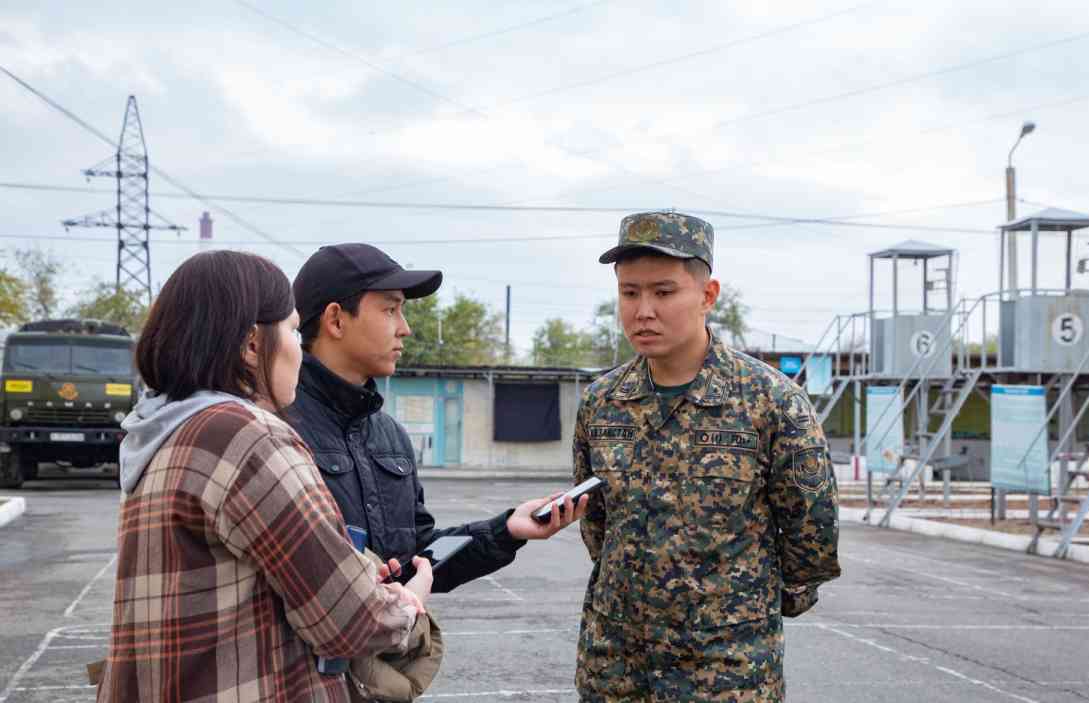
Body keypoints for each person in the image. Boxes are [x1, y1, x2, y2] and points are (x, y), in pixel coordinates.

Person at [97, 251, 432, 703]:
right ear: (253, 345)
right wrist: (409, 603)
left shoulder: (160, 433)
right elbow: (350, 620)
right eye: (293, 329)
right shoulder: (244, 437)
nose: (298, 346)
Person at [572, 212, 841, 701]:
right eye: (629, 293)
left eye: (664, 291)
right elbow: (598, 524)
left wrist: (744, 607)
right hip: (615, 664)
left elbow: (811, 532)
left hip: (726, 669)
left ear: (708, 295)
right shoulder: (602, 400)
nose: (643, 310)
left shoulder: (769, 401)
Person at [288, 243, 583, 593]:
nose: (405, 328)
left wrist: (507, 529)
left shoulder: (388, 435)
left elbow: (422, 557)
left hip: (390, 647)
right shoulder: (275, 429)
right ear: (336, 319)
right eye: (390, 310)